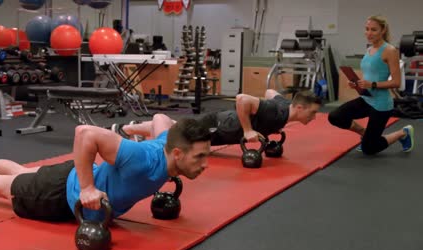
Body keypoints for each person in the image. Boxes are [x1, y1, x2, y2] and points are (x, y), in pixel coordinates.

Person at [0, 114, 212, 222]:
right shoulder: (142, 157)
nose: (204, 165)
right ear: (177, 153)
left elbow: (161, 119)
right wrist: (88, 188)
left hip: (69, 175)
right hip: (58, 196)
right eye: (199, 157)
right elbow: (85, 133)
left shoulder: (165, 144)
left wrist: (131, 128)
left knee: (19, 172)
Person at [328, 15, 414, 155]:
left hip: (381, 104)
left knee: (369, 149)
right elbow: (370, 75)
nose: (369, 33)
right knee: (335, 116)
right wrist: (356, 83)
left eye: (373, 30)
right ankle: (366, 134)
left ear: (383, 30)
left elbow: (396, 82)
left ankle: (402, 133)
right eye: (367, 29)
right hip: (366, 98)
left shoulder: (390, 51)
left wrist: (372, 84)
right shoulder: (369, 50)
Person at [112, 89, 322, 146]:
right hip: (223, 126)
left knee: (179, 127)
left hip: (225, 121)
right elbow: (241, 99)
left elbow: (269, 91)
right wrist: (248, 130)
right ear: (300, 107)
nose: (314, 117)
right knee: (178, 131)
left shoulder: (284, 107)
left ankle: (131, 128)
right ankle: (126, 130)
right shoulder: (275, 112)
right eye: (312, 112)